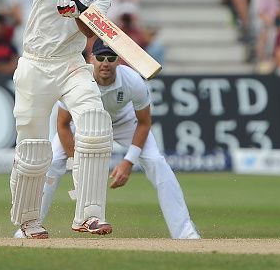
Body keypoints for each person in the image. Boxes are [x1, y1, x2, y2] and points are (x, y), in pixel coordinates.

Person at [2, 0, 115, 238]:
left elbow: (90, 32)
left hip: (71, 65)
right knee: (33, 148)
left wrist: (76, 8)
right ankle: (28, 221)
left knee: (95, 120)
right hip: (35, 65)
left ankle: (89, 215)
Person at [40, 39, 201, 239]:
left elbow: (144, 122)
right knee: (53, 162)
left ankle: (185, 234)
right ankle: (31, 227)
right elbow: (63, 124)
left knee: (157, 163)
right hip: (83, 122)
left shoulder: (133, 80)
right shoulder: (77, 81)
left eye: (111, 57)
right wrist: (77, 163)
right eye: (100, 57)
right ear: (91, 59)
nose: (105, 62)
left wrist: (128, 162)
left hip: (124, 122)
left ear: (119, 61)